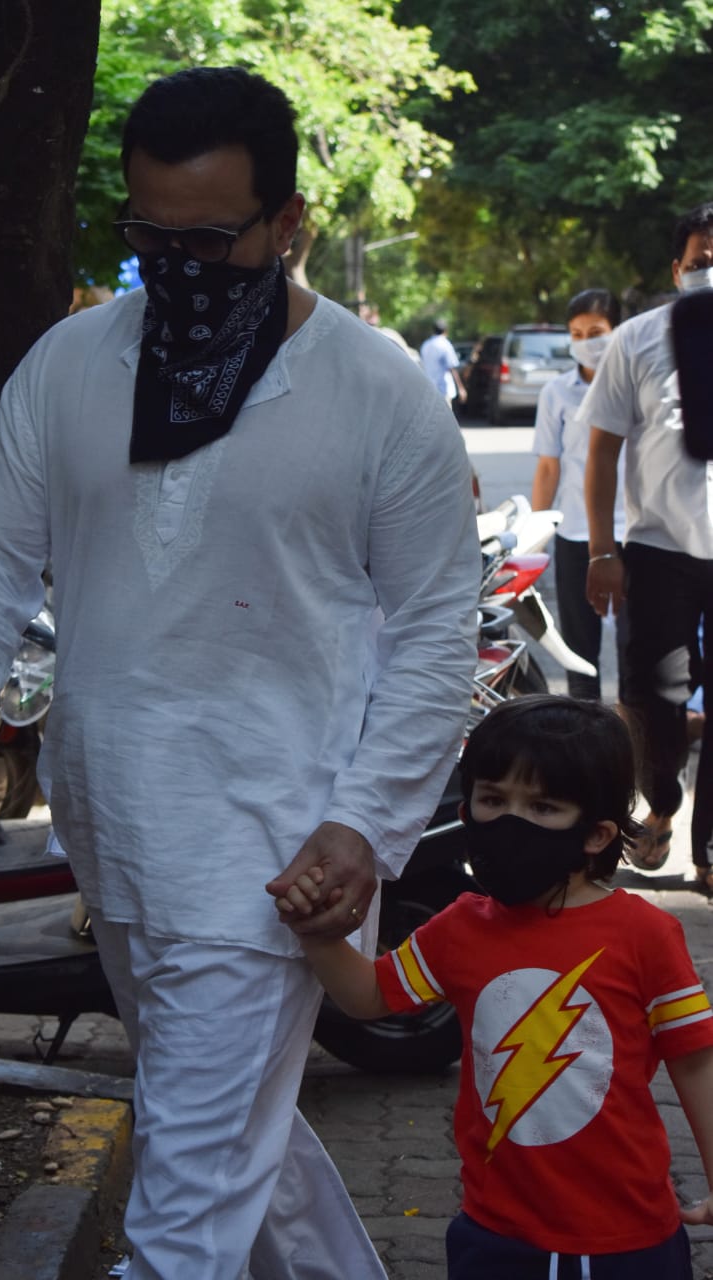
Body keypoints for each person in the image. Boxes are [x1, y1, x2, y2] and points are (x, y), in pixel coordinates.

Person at [0, 65, 481, 1279]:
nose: (174, 266)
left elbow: (433, 633)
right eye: (146, 237)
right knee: (234, 1155)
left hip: (279, 857)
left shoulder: (378, 395)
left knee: (184, 1217)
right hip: (113, 832)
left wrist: (364, 827)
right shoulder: (68, 364)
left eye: (208, 240)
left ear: (288, 225)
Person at [270, 694, 713, 1279]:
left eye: (543, 806)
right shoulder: (461, 927)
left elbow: (695, 1061)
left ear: (597, 834)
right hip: (496, 1238)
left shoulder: (646, 935)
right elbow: (369, 998)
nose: (510, 822)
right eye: (492, 799)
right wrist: (319, 934)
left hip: (630, 1243)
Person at [584, 201, 713, 883]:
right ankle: (662, 801)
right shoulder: (635, 340)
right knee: (656, 705)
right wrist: (601, 550)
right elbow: (601, 452)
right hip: (658, 554)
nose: (710, 274)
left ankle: (707, 854)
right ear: (676, 268)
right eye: (700, 263)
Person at [531, 288, 628, 701]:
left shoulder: (637, 384)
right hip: (576, 537)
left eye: (596, 331)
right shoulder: (556, 393)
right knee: (578, 654)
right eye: (577, 333)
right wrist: (535, 533)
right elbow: (549, 467)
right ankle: (587, 754)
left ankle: (640, 751)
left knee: (639, 654)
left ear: (618, 331)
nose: (587, 342)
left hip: (634, 537)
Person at [420, 318, 468, 406]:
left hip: (429, 389)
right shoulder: (445, 345)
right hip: (443, 389)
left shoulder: (425, 345)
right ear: (446, 331)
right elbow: (452, 368)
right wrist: (461, 388)